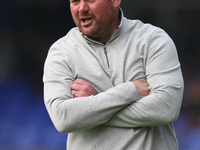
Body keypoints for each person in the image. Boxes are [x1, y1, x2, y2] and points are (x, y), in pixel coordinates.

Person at [43, 0, 184, 149]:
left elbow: (166, 108)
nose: (82, 8)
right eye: (75, 1)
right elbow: (63, 118)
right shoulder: (61, 52)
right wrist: (130, 90)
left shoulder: (153, 39)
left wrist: (92, 105)